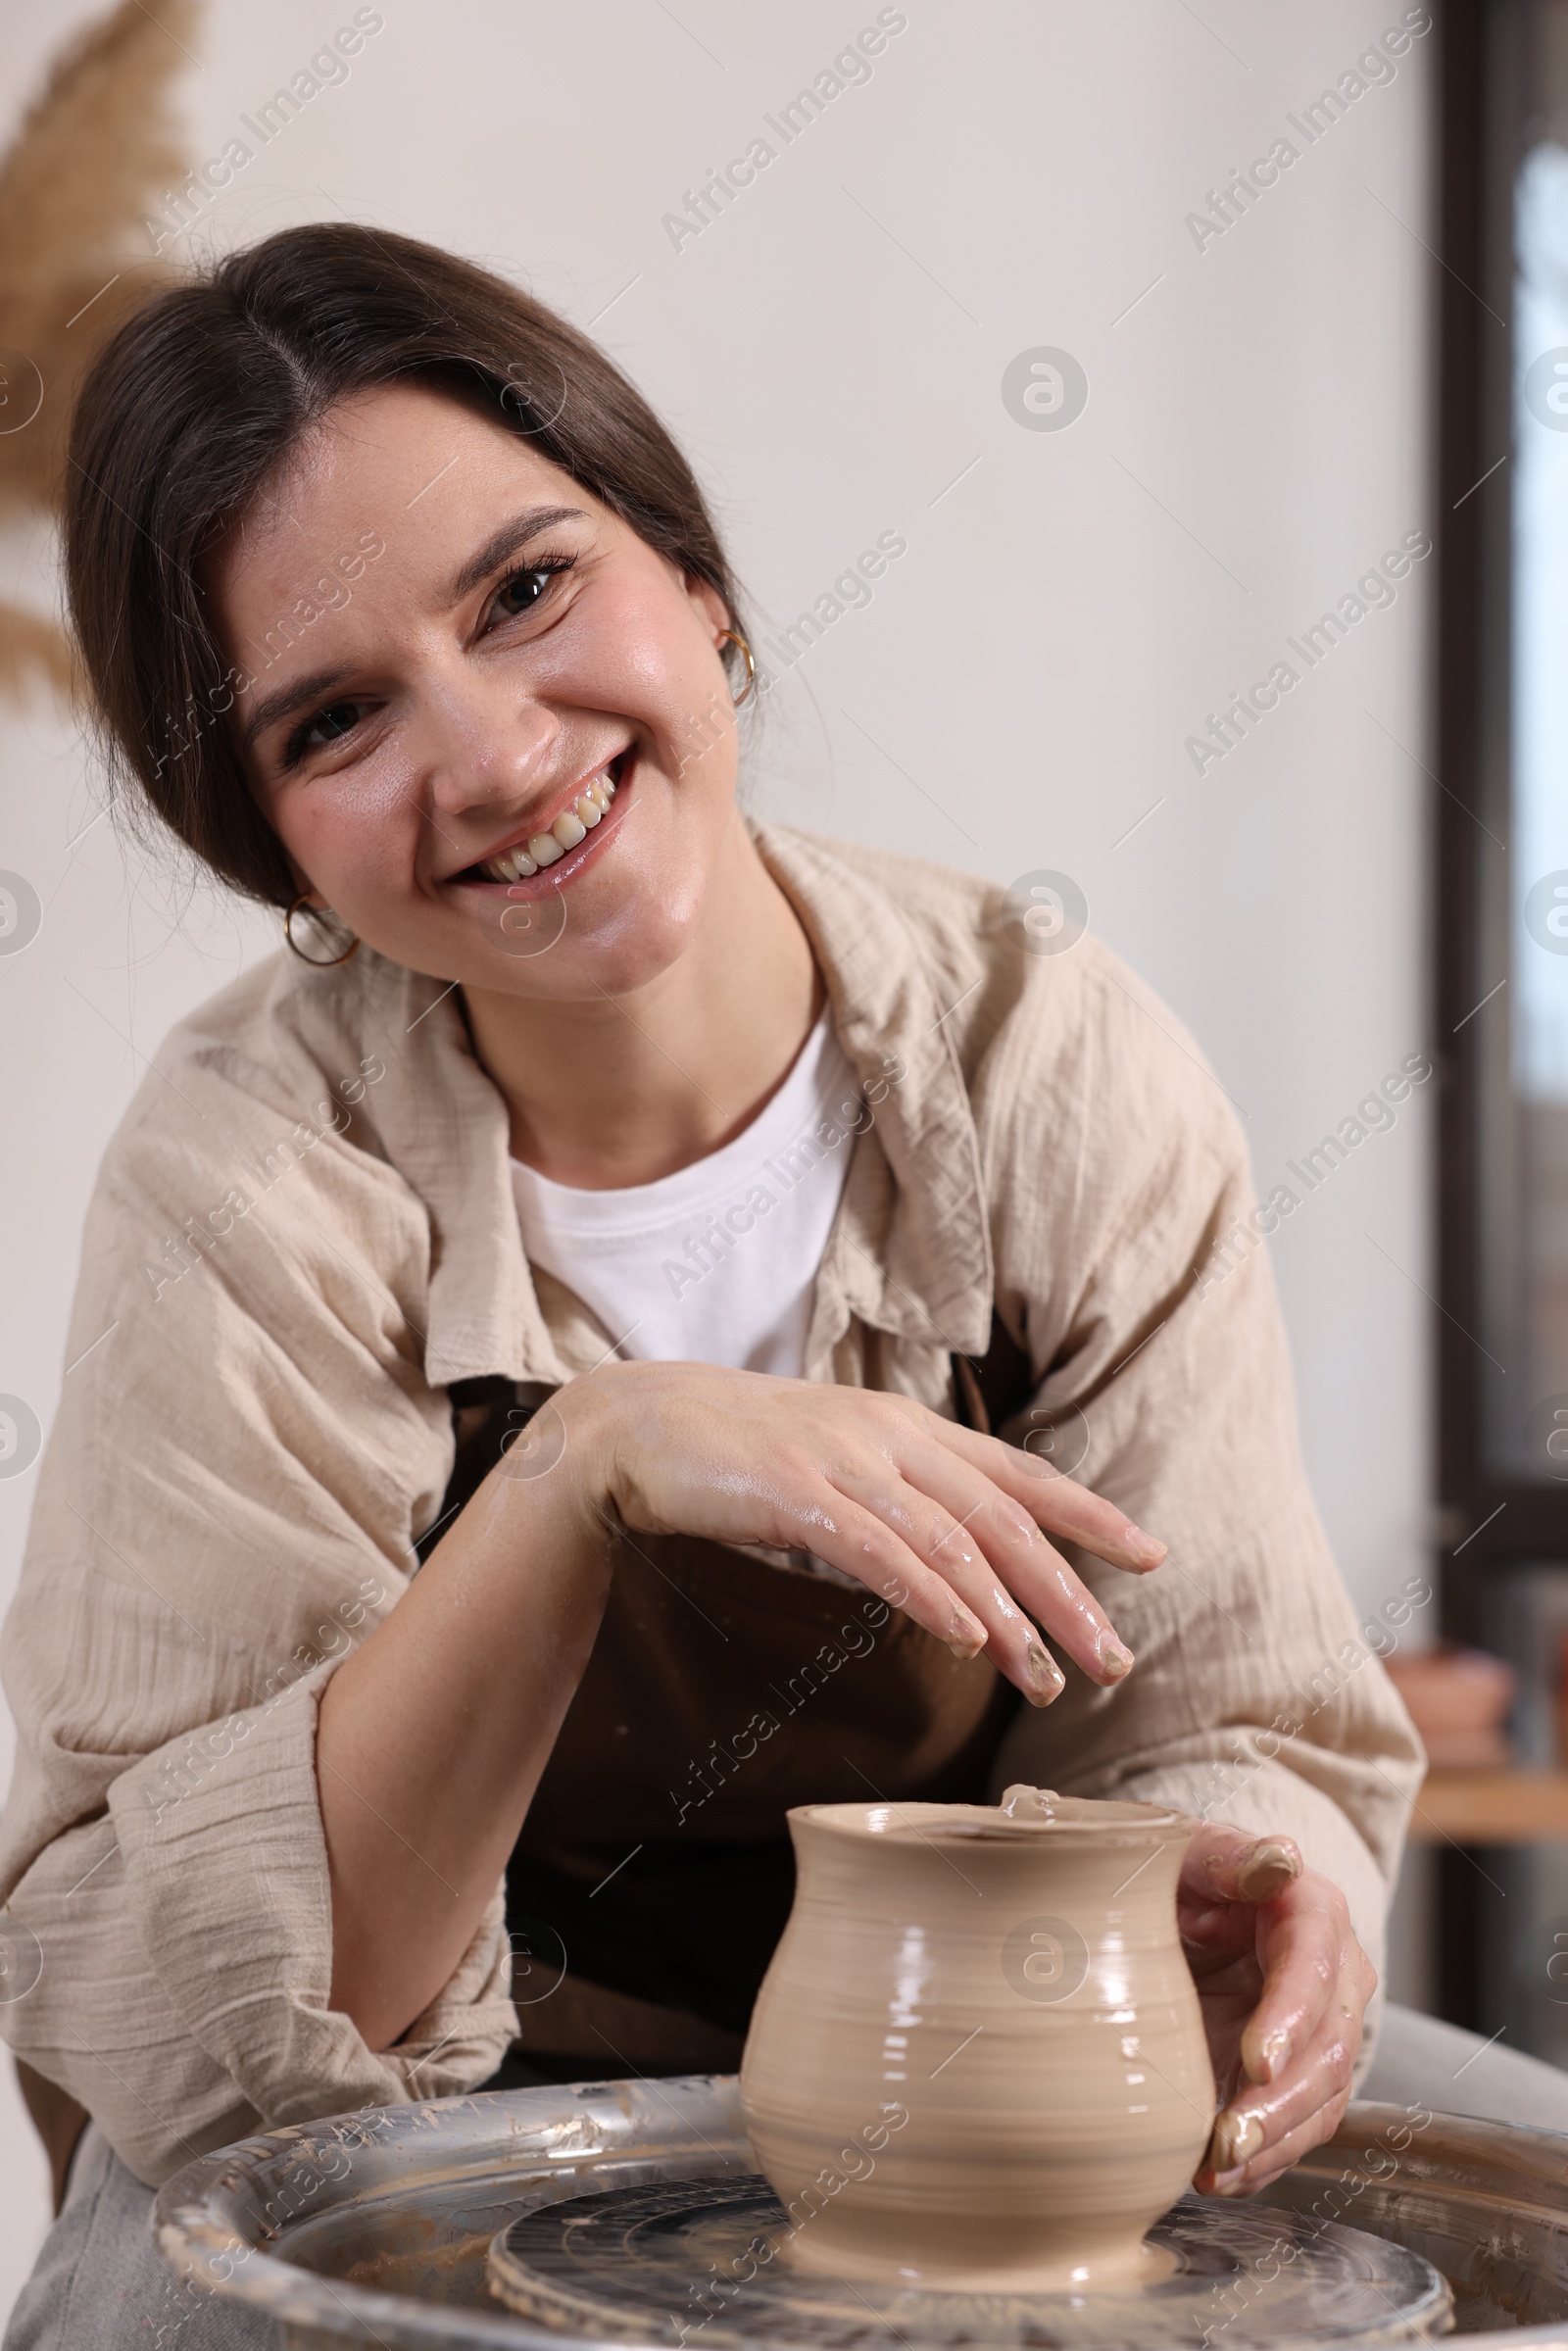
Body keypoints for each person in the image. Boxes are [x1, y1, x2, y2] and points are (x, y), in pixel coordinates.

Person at [0, 223, 1533, 2351]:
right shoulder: (247, 1177)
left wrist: (1238, 1883)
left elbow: (1229, 1714)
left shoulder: (1045, 1063)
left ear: (693, 588)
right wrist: (580, 1472)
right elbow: (213, 2018)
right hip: (434, 2112)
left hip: (993, 2054)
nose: (497, 755)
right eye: (339, 716)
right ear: (271, 848)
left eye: (526, 591)